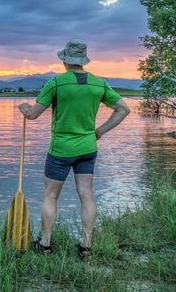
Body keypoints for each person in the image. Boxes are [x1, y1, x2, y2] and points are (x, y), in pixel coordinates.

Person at [18, 39, 130, 258]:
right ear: (83, 61)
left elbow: (33, 115)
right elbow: (123, 110)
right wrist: (99, 132)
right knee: (86, 195)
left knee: (50, 195)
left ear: (64, 60)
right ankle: (85, 246)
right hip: (88, 148)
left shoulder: (56, 83)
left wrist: (24, 109)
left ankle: (45, 244)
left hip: (61, 150)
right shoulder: (100, 84)